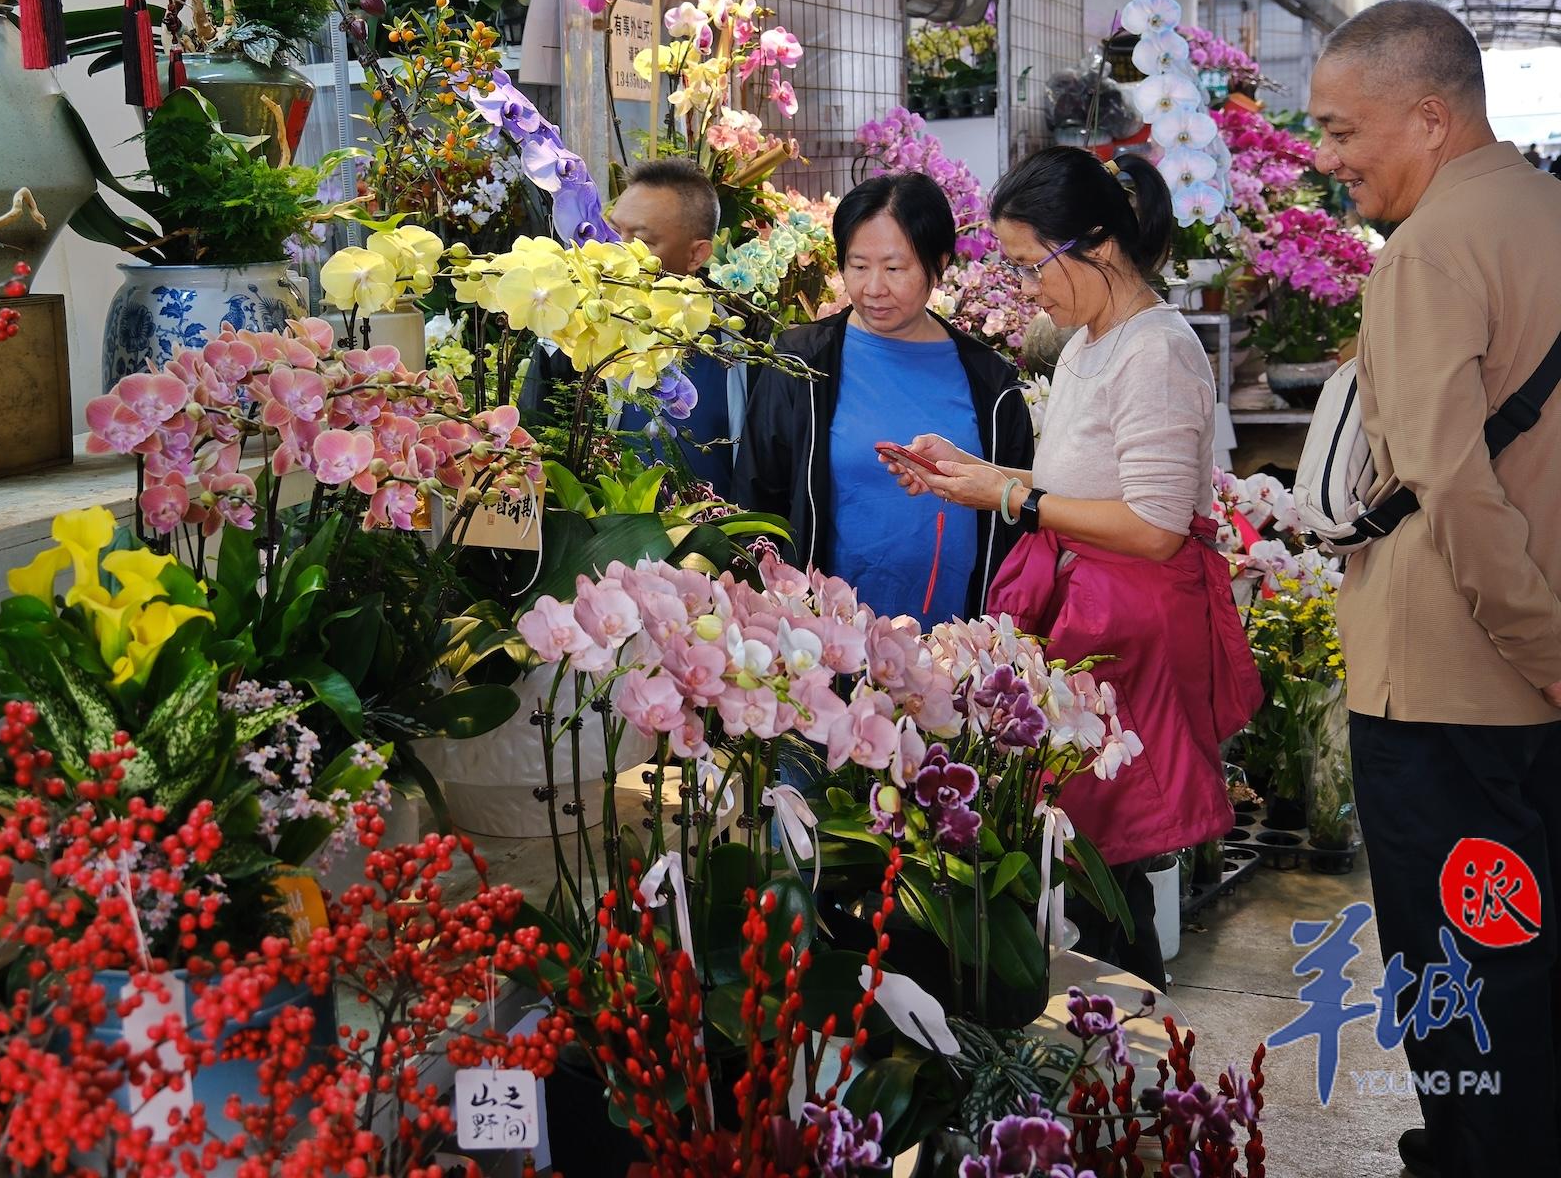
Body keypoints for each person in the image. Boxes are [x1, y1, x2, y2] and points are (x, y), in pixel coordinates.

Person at [885, 148, 1259, 988]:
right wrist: (972, 474)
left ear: (1098, 242)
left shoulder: (1156, 350)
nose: (1026, 290)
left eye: (1031, 265)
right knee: (1085, 858)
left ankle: (1129, 1036)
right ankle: (1108, 1033)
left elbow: (1156, 528)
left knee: (1104, 863)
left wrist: (1009, 497)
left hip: (1130, 628)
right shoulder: (1095, 339)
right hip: (1091, 616)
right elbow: (1080, 485)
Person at [1309, 0, 1561, 1178]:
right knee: (1534, 960)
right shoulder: (1545, 211)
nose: (1328, 157)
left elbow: (1452, 488)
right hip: (1527, 688)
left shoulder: (1425, 251)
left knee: (1465, 972)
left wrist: (1545, 647)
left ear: (1428, 117)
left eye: (1340, 129)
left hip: (1448, 685)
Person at [734, 172, 1034, 629]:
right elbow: (755, 500)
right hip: (825, 636)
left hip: (961, 641)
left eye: (895, 269)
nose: (874, 287)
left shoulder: (990, 382)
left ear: (939, 263)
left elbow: (1020, 517)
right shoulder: (801, 364)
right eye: (858, 266)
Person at [517, 158, 745, 497]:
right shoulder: (572, 334)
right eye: (612, 231)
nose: (616, 252)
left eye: (641, 242)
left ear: (696, 255)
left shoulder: (738, 351)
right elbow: (532, 460)